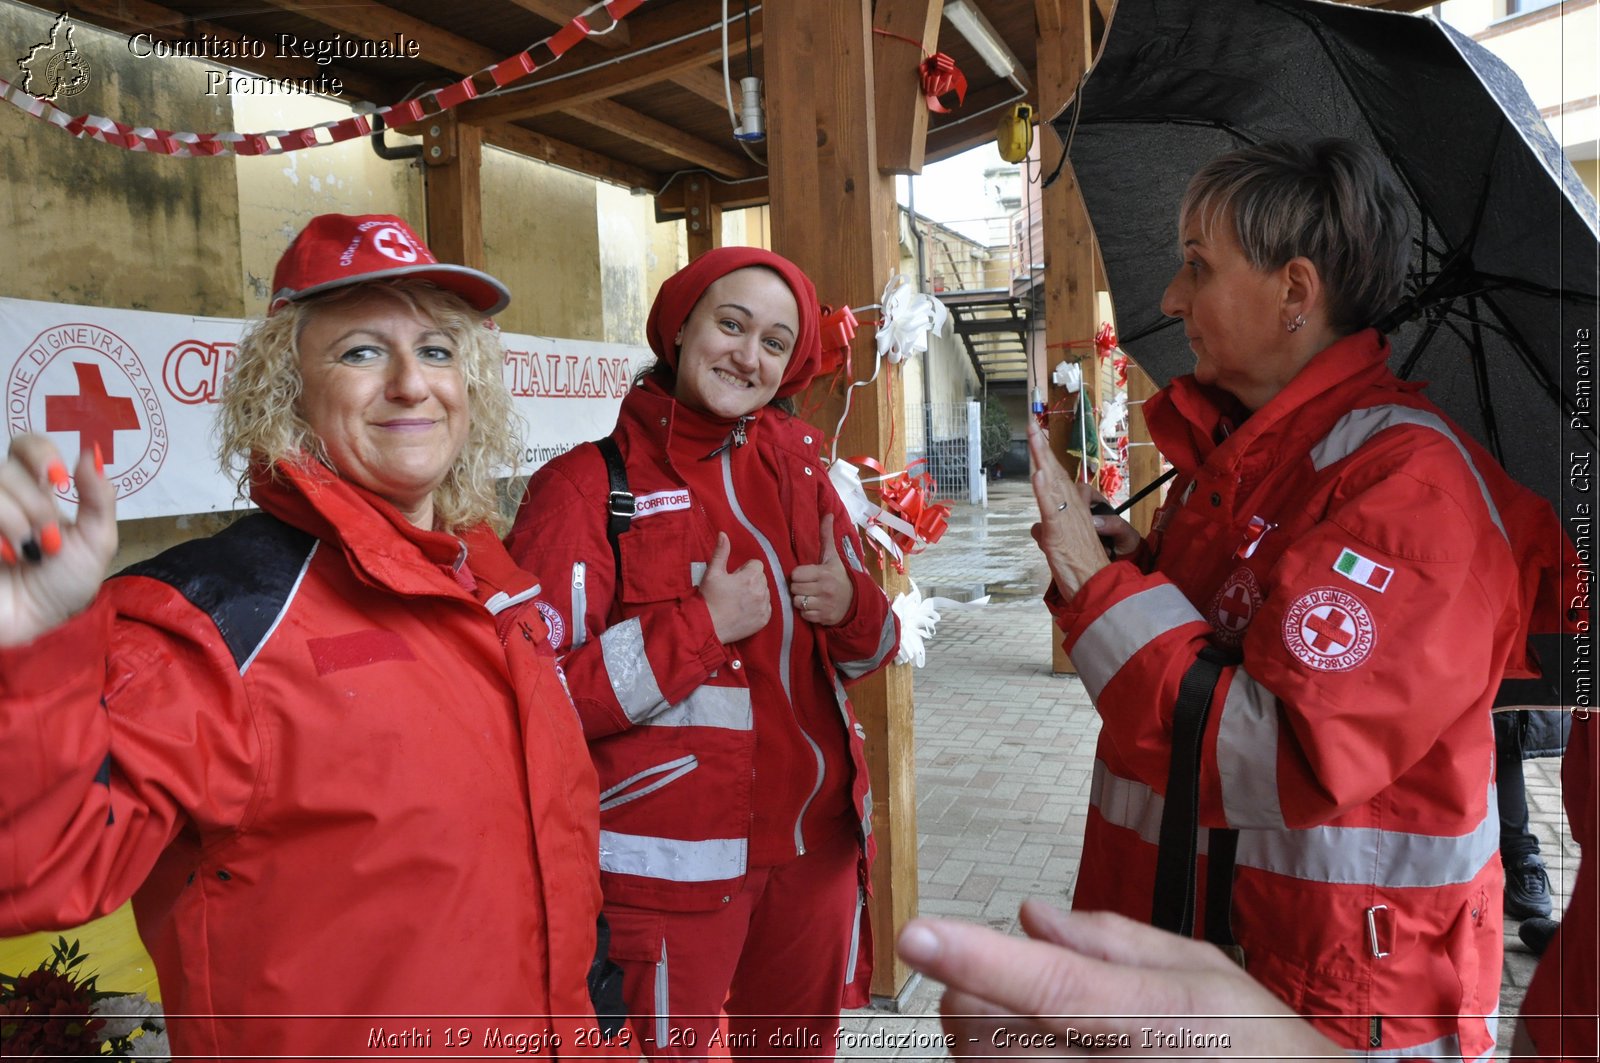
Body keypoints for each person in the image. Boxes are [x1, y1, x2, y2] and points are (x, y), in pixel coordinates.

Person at [0, 214, 610, 1060]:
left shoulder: (493, 588)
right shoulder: (219, 618)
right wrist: (29, 651)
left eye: (437, 351)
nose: (410, 383)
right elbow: (35, 867)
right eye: (361, 351)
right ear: (283, 389)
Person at [1026, 139, 1573, 1059]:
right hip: (1215, 969)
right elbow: (1219, 639)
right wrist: (1132, 560)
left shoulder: (1409, 493)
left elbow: (1266, 752)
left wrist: (1102, 587)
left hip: (1333, 1009)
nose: (1168, 298)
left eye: (1198, 266)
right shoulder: (1254, 461)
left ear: (1295, 291)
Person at [506, 246, 898, 1060]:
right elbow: (537, 701)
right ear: (680, 329)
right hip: (668, 878)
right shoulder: (582, 490)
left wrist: (853, 605)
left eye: (775, 342)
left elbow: (874, 653)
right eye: (731, 324)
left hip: (816, 858)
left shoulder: (804, 477)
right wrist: (701, 627)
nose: (748, 355)